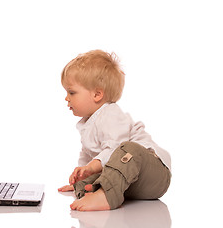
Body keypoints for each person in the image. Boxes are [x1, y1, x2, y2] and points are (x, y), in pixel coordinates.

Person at [58, 50, 171, 211]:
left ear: (97, 94)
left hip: (154, 173)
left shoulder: (110, 114)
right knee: (91, 176)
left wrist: (91, 167)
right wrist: (81, 177)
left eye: (72, 92)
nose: (66, 98)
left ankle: (106, 196)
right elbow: (88, 156)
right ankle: (93, 189)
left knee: (127, 149)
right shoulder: (87, 124)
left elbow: (113, 149)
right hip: (131, 182)